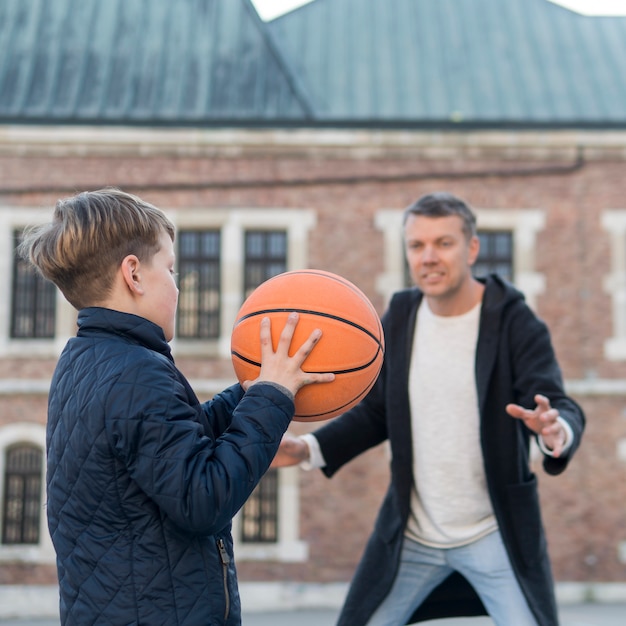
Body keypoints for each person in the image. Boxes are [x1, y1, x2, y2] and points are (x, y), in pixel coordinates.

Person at [19, 188, 334, 626]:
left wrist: (254, 388)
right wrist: (272, 399)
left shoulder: (86, 361)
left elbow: (171, 449)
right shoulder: (136, 372)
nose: (179, 286)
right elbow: (202, 498)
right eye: (170, 269)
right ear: (133, 274)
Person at [273, 192, 585, 626]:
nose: (428, 258)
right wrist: (307, 449)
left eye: (443, 243)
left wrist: (556, 432)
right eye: (417, 246)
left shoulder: (514, 321)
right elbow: (377, 412)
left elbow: (560, 406)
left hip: (495, 533)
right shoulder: (400, 317)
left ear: (472, 248)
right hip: (413, 534)